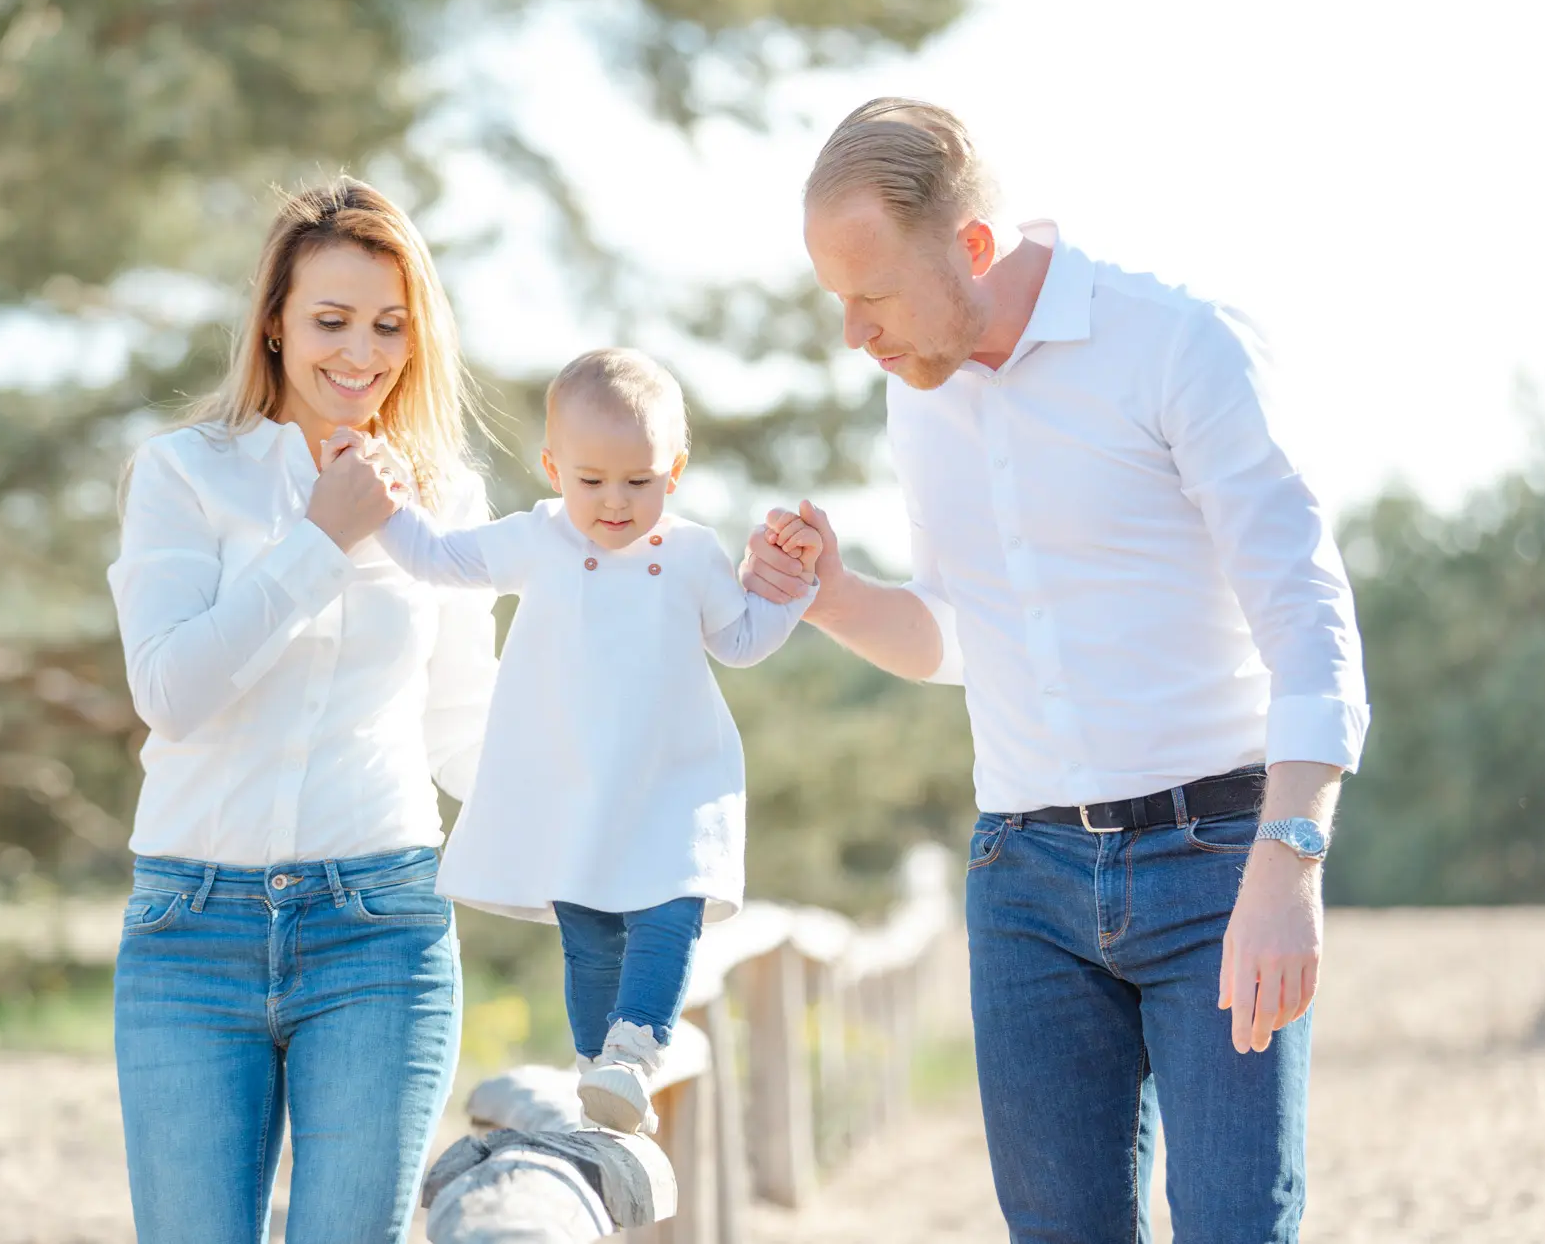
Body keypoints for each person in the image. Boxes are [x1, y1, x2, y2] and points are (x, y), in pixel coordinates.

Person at [741, 99, 1369, 1242]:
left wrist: (1288, 863)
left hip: (1216, 865)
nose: (853, 334)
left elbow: (1308, 615)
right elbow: (955, 635)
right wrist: (830, 595)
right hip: (1021, 878)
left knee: (1236, 1224)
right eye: (836, 299)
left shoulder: (1179, 344)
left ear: (970, 247)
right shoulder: (918, 391)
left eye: (871, 296)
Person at [106, 177, 495, 1243]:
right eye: (330, 321)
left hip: (380, 926)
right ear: (273, 323)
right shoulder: (183, 474)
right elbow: (172, 691)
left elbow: (463, 732)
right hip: (191, 928)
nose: (360, 355)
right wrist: (321, 537)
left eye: (387, 326)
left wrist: (612, 857)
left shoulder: (447, 501)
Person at [362, 347, 822, 1134]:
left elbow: (741, 640)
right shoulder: (536, 539)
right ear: (553, 468)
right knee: (588, 934)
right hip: (573, 783)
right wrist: (381, 505)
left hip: (674, 781)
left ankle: (635, 1048)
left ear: (673, 472)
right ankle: (595, 1072)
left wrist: (794, 589)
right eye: (591, 480)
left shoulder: (690, 553)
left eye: (638, 481)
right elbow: (437, 559)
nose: (614, 501)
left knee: (671, 910)